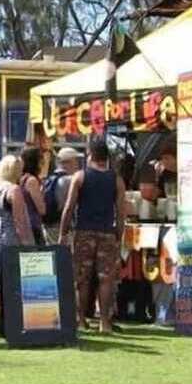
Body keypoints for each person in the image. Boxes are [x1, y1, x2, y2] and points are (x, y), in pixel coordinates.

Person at [59, 139, 126, 334]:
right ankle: (104, 322)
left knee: (82, 278)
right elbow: (121, 213)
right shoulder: (116, 180)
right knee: (106, 279)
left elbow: (69, 207)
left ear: (90, 155)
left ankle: (81, 320)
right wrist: (118, 237)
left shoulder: (80, 177)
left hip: (84, 232)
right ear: (107, 157)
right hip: (107, 233)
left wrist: (63, 233)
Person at [0, 155, 34, 333]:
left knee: (1, 286)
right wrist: (29, 246)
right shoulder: (14, 190)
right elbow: (20, 223)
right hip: (12, 242)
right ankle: (13, 323)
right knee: (14, 285)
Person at [42, 147, 82, 244]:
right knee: (64, 257)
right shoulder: (70, 180)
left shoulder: (49, 179)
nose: (78, 164)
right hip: (62, 228)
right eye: (77, 161)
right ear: (69, 162)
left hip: (48, 226)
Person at [19, 146, 46, 245]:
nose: (43, 162)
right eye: (41, 159)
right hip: (33, 226)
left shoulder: (21, 178)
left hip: (24, 225)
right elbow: (42, 209)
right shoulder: (32, 181)